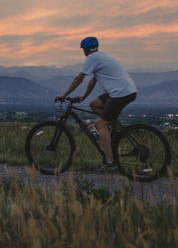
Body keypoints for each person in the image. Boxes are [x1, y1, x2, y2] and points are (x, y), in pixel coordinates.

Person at [55, 36, 137, 173]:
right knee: (94, 104)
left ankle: (110, 162)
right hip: (126, 91)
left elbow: (78, 79)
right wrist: (84, 97)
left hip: (119, 93)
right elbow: (93, 80)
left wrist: (63, 95)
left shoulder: (92, 59)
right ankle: (116, 128)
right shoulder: (102, 57)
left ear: (85, 50)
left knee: (100, 124)